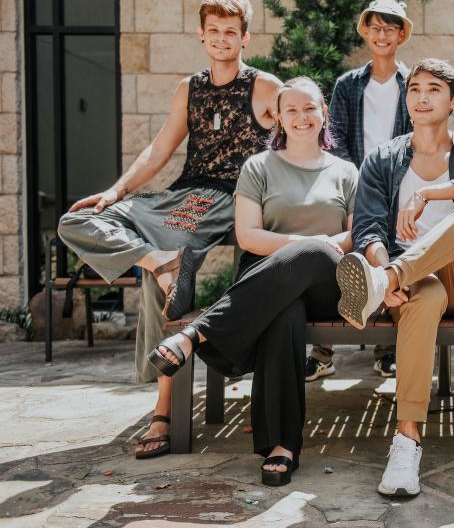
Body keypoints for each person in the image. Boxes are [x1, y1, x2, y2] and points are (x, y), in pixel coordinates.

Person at [57, 0, 282, 459]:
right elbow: (158, 151)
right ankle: (156, 261)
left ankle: (164, 410)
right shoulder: (189, 89)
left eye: (231, 31)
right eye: (214, 30)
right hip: (185, 195)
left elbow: (295, 137)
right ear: (201, 34)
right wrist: (115, 192)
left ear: (245, 37)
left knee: (167, 267)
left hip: (232, 196)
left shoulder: (263, 87)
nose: (222, 39)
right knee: (78, 220)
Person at [146, 77, 358, 486]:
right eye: (291, 110)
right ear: (277, 117)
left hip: (329, 284)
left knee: (314, 254)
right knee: (284, 313)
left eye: (309, 108)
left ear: (323, 113)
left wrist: (310, 247)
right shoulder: (258, 167)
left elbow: (353, 236)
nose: (301, 117)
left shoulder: (346, 171)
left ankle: (195, 335)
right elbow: (248, 236)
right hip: (267, 285)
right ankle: (281, 446)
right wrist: (307, 242)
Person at [334, 59, 454, 497]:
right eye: (414, 88)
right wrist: (381, 264)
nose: (421, 96)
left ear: (453, 100)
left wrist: (430, 192)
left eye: (433, 88)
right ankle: (407, 440)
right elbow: (369, 227)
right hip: (418, 284)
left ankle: (387, 281)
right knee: (423, 296)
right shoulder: (383, 158)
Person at [307, 0, 416, 381]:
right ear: (366, 32)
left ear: (402, 34)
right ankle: (322, 351)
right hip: (352, 181)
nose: (382, 34)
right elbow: (333, 138)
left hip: (399, 183)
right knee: (338, 246)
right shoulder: (348, 85)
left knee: (390, 243)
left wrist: (390, 180)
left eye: (390, 27)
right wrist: (359, 178)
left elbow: (417, 138)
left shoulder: (412, 84)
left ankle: (387, 349)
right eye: (375, 27)